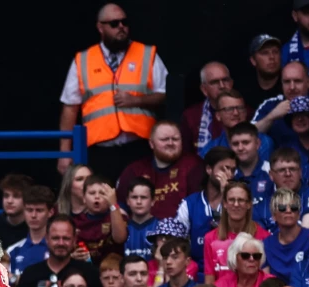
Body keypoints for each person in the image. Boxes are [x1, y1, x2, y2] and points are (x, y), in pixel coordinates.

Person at [57, 3, 167, 182]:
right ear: (100, 27)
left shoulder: (146, 53)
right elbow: (70, 107)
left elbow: (165, 94)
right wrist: (65, 153)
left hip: (138, 146)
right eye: (114, 24)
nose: (121, 27)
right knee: (101, 202)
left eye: (125, 22)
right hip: (100, 150)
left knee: (140, 200)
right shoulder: (83, 60)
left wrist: (136, 101)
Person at [115, 122, 203, 220]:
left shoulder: (193, 165)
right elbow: (121, 208)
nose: (170, 143)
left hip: (181, 231)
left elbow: (199, 208)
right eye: (164, 139)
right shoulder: (134, 170)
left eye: (175, 139)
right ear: (151, 143)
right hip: (142, 232)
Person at [15, 216, 101, 287]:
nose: (61, 243)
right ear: (47, 239)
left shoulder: (90, 273)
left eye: (66, 238)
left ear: (74, 240)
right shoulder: (30, 274)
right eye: (55, 238)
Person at [204, 181, 269, 285]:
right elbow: (209, 282)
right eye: (231, 200)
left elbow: (265, 281)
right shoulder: (210, 238)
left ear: (249, 204)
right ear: (224, 203)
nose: (236, 204)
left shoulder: (263, 237)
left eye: (241, 200)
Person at [252, 62, 309, 149]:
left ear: (308, 82)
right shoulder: (270, 104)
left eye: (297, 81)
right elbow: (248, 135)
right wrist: (272, 116)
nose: (292, 87)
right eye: (287, 82)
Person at [180, 61, 232, 154]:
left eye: (225, 80)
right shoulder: (191, 116)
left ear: (231, 83)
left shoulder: (245, 112)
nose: (222, 86)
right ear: (204, 89)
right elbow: (185, 154)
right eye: (215, 82)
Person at [262, 189, 309, 282]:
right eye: (282, 208)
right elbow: (267, 283)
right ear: (274, 215)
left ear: (298, 214)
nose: (288, 211)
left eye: (293, 207)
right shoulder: (266, 245)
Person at [0, 174, 33, 248]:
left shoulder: (33, 227)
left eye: (16, 196)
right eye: (6, 196)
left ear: (27, 199)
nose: (9, 201)